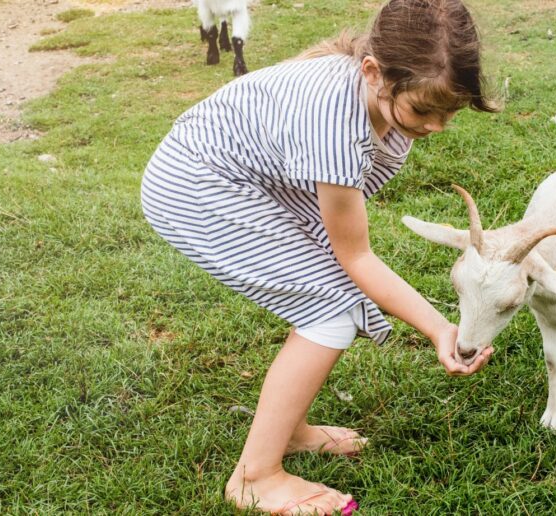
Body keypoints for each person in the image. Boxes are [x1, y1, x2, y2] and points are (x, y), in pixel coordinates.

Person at [140, 0, 499, 512]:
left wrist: (432, 325)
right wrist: (440, 329)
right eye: (424, 110)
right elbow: (356, 257)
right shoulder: (338, 122)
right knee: (329, 308)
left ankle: (290, 430)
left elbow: (337, 234)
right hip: (195, 186)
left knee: (330, 295)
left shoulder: (381, 105)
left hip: (245, 183)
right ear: (374, 72)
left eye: (449, 113)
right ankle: (255, 477)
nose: (437, 126)